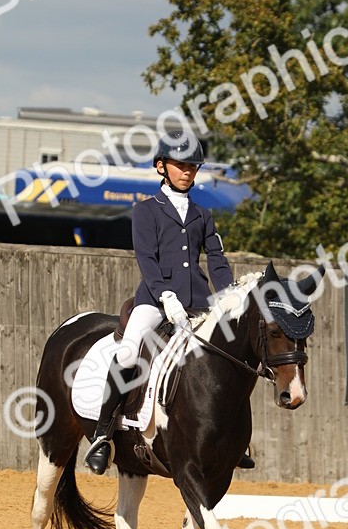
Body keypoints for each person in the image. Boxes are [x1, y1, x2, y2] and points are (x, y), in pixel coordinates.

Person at [85, 130, 250, 474]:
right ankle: (103, 434)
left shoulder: (203, 214)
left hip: (199, 302)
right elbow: (146, 258)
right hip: (155, 301)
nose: (187, 171)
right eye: (180, 165)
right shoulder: (146, 211)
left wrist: (229, 294)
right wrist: (164, 294)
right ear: (161, 166)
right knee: (128, 352)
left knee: (231, 352)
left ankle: (238, 439)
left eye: (192, 166)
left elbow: (216, 259)